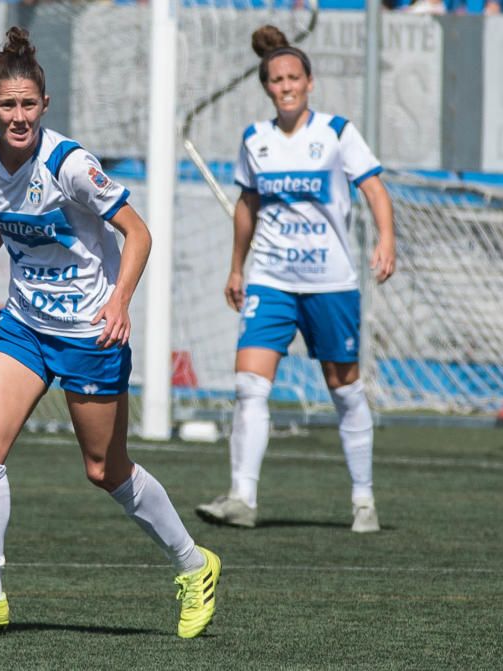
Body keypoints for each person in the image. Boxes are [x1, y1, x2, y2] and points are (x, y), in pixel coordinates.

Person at [0, 26, 220, 639]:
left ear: (45, 105)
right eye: (7, 105)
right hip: (25, 326)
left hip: (90, 332)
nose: (19, 116)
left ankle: (196, 565)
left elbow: (138, 233)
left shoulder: (71, 164)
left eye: (29, 104)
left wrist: (120, 302)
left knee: (104, 471)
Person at [195, 25, 396, 534]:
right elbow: (247, 206)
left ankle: (364, 500)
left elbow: (373, 188)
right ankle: (242, 497)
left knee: (344, 388)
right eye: (276, 79)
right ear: (267, 86)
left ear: (309, 81)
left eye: (293, 77)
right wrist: (237, 266)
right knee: (249, 386)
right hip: (271, 280)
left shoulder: (336, 132)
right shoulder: (255, 140)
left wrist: (386, 239)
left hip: (331, 282)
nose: (285, 86)